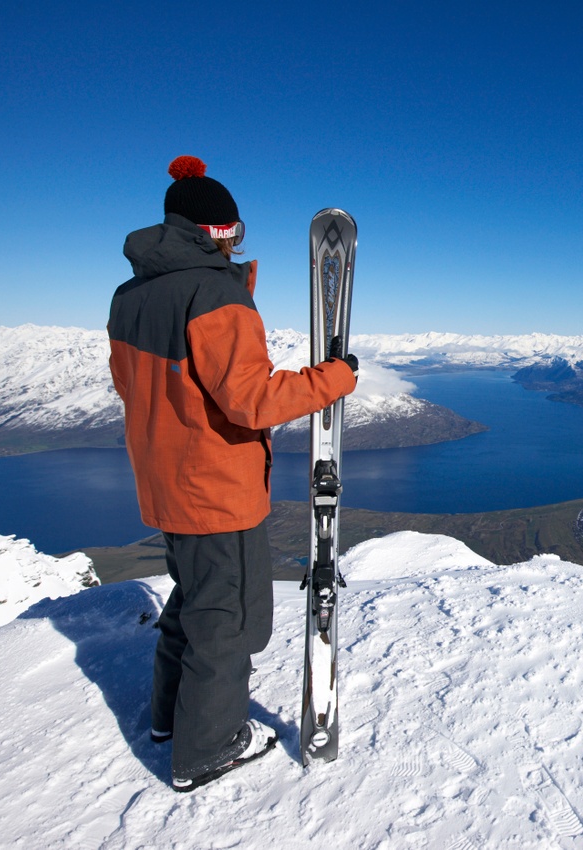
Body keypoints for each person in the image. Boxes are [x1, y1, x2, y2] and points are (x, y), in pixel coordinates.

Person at [108, 156, 358, 791]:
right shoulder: (213, 292)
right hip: (215, 488)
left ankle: (169, 719)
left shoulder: (132, 294)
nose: (238, 240)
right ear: (217, 231)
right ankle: (209, 747)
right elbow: (252, 400)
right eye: (234, 230)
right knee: (228, 618)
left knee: (194, 599)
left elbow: (134, 390)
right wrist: (336, 378)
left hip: (165, 483)